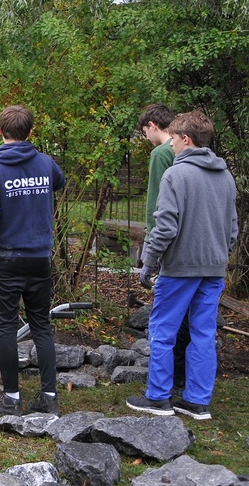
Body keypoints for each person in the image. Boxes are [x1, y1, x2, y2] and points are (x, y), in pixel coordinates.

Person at [127, 110, 237, 421]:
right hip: (213, 268)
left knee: (163, 331)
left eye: (174, 139)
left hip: (179, 268)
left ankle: (158, 397)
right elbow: (232, 228)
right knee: (203, 333)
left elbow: (165, 227)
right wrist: (220, 255)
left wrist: (149, 261)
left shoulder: (175, 175)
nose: (171, 144)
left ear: (186, 139)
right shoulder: (225, 176)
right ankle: (197, 402)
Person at [0, 105, 66, 417]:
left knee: (7, 328)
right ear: (30, 132)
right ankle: (49, 397)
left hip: (6, 261)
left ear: (0, 131)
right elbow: (59, 181)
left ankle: (12, 399)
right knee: (41, 326)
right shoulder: (45, 163)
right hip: (39, 259)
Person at [137, 103, 190, 394]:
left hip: (168, 243)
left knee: (166, 317)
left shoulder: (161, 153)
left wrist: (150, 249)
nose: (146, 138)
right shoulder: (194, 152)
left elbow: (157, 204)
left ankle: (164, 384)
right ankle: (185, 376)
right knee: (191, 317)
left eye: (144, 132)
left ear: (152, 126)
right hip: (194, 242)